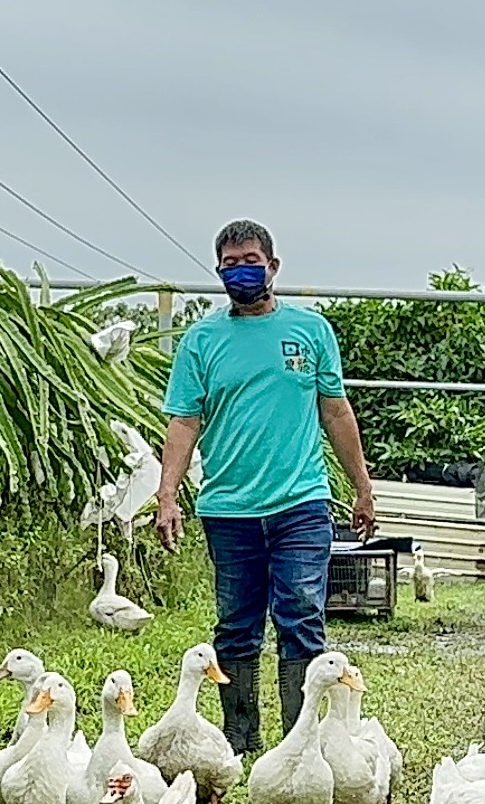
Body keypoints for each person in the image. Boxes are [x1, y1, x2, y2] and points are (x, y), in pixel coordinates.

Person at [153, 219, 376, 754]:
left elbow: (335, 410)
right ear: (218, 272)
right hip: (229, 509)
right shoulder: (201, 341)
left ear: (273, 266)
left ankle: (300, 743)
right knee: (236, 626)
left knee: (301, 614)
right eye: (229, 265)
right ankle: (241, 737)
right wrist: (166, 495)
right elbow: (184, 421)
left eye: (250, 260)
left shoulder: (311, 332)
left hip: (301, 501)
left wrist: (362, 487)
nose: (241, 271)